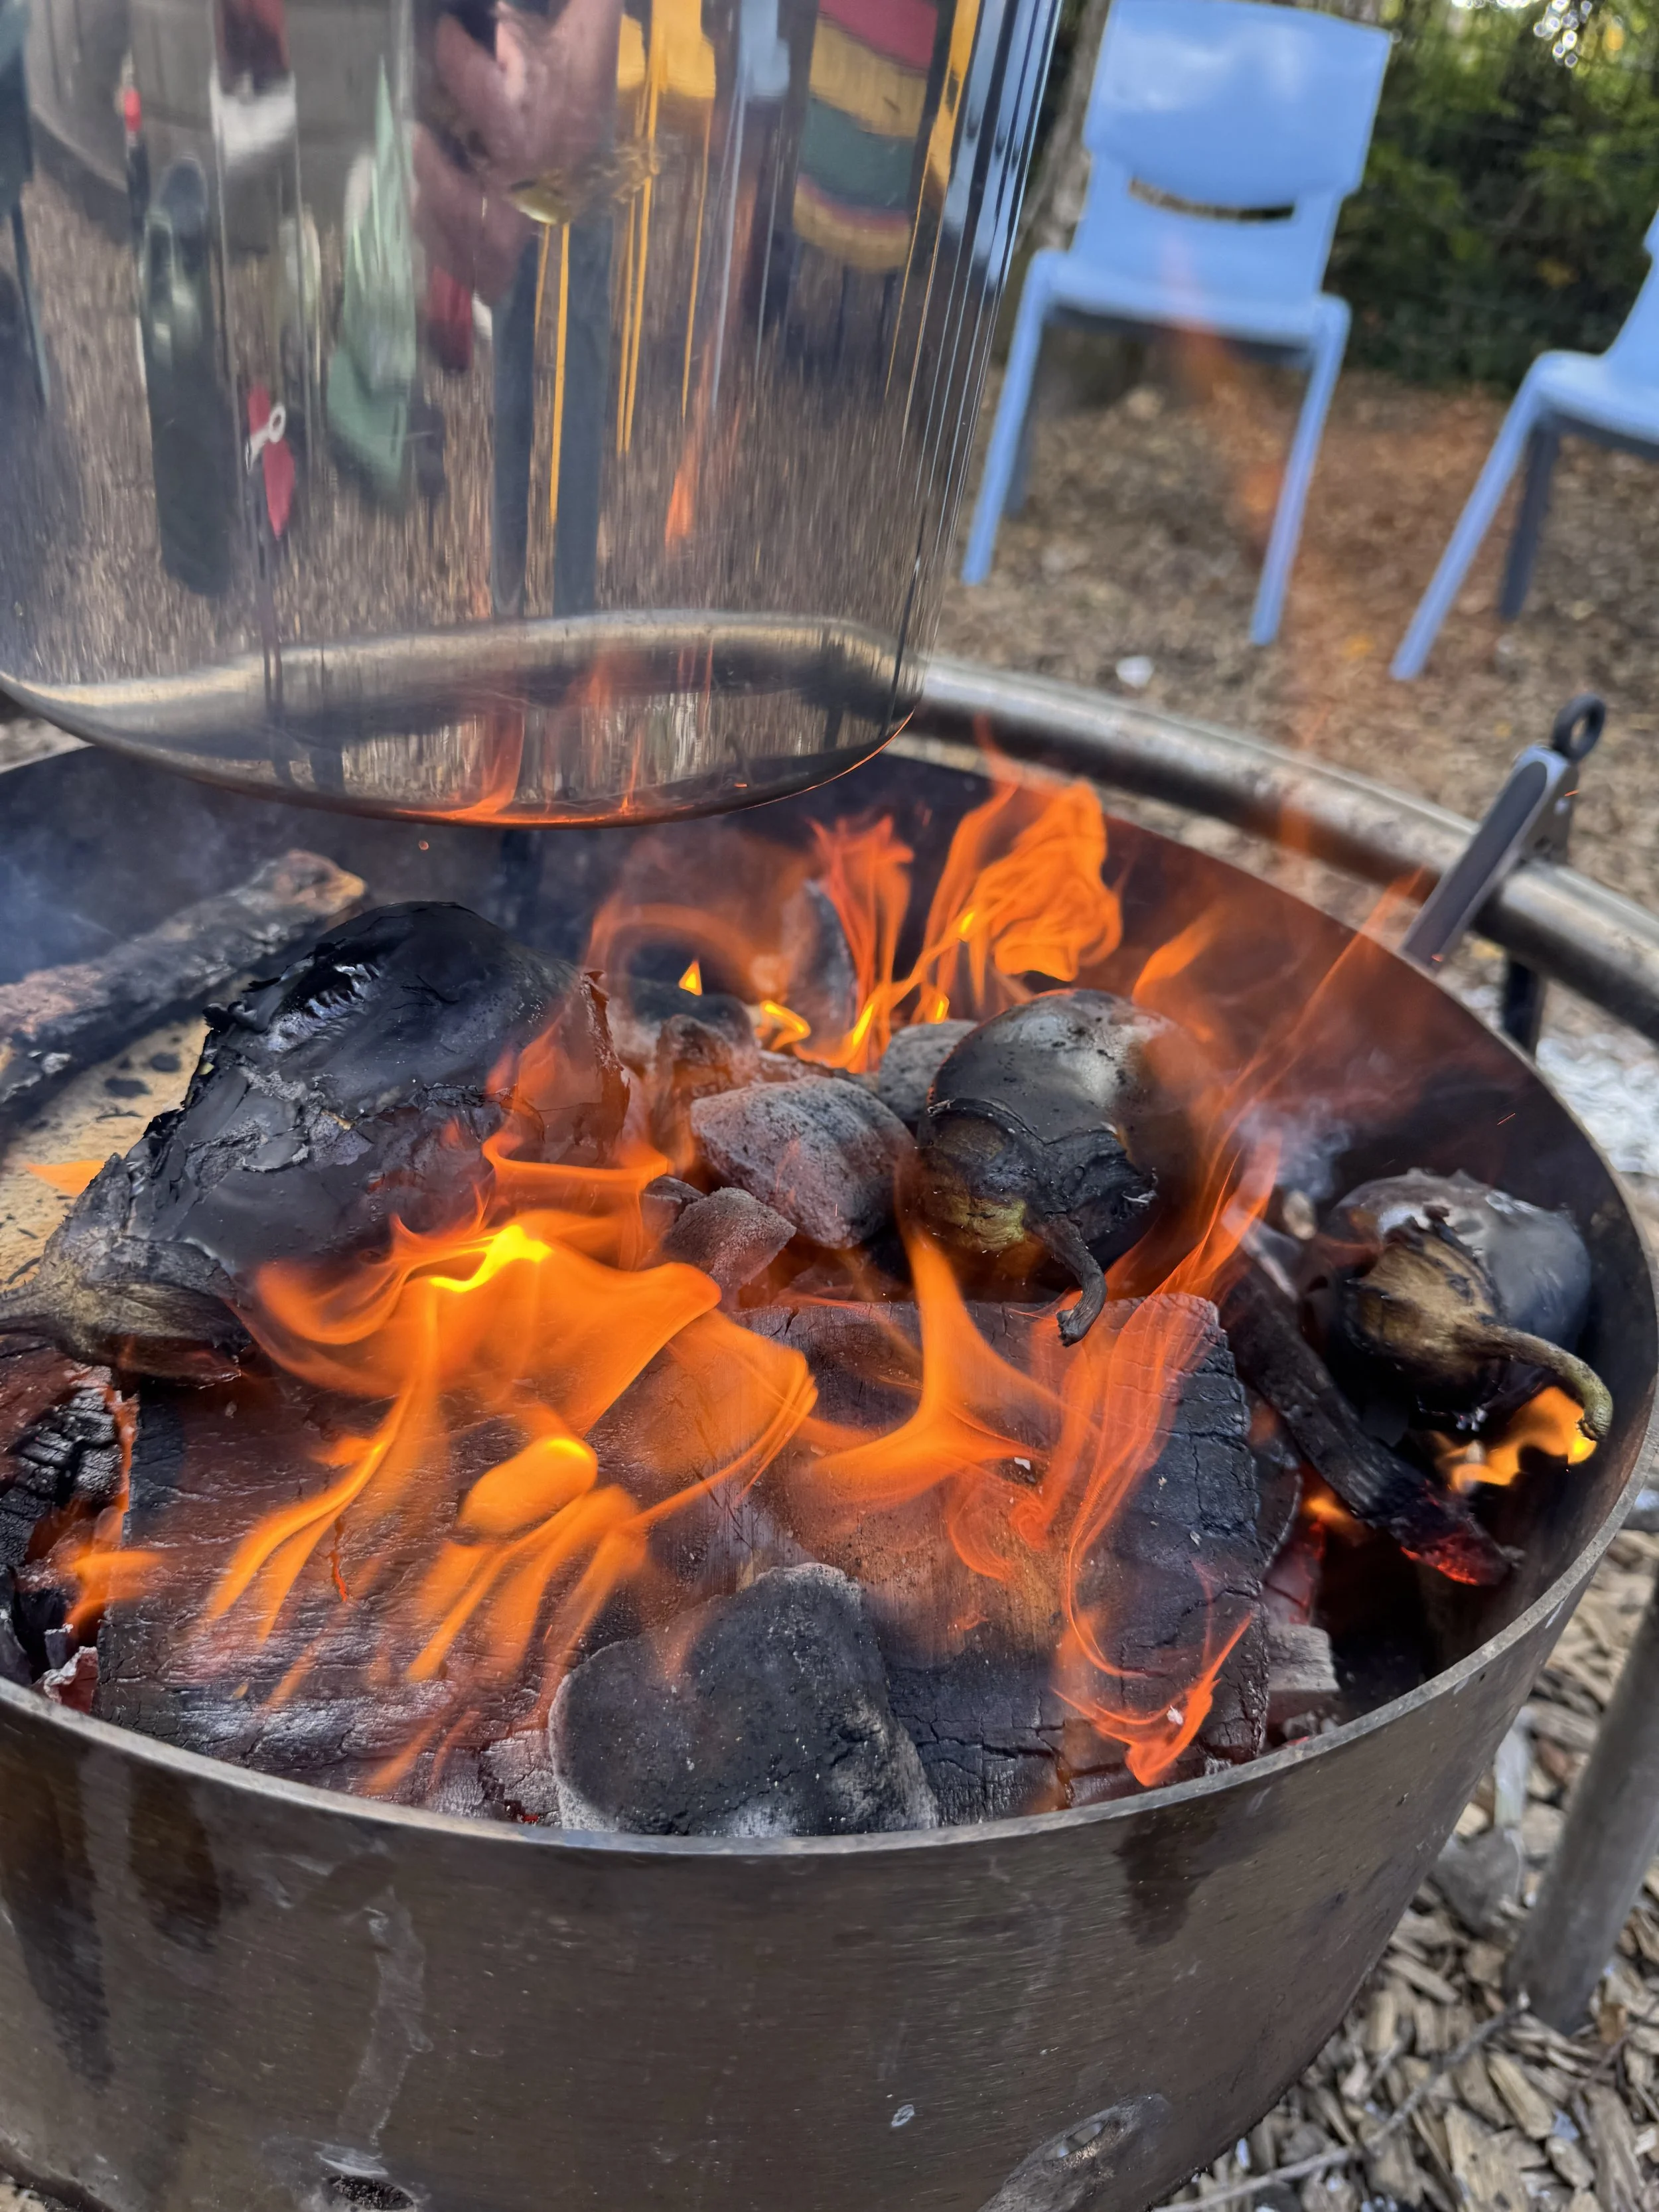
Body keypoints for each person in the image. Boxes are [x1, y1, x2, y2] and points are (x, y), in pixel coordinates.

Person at [412, 0, 623, 617]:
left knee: (578, 315)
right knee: (512, 292)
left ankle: (567, 622)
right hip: (502, 28)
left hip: (561, 27)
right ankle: (515, 604)